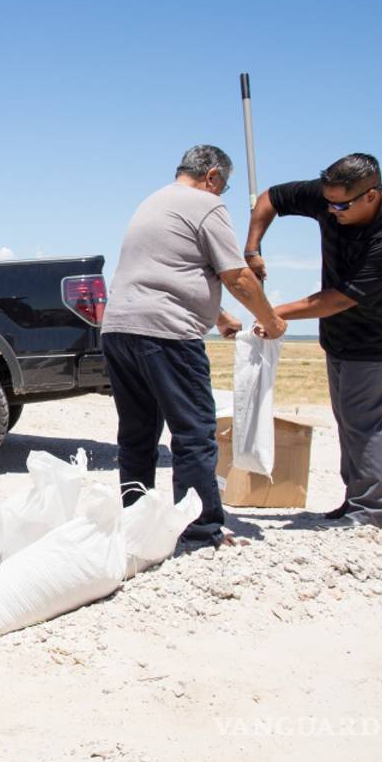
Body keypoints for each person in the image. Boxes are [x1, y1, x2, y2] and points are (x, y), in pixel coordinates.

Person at [101, 145, 287, 547]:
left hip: (119, 328)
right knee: (194, 432)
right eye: (224, 186)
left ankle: (137, 520)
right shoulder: (205, 204)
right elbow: (237, 277)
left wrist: (219, 318)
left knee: (137, 431)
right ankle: (199, 530)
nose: (222, 193)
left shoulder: (154, 202)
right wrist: (271, 321)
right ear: (213, 175)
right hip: (166, 332)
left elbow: (168, 268)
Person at [244, 153, 382, 529]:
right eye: (328, 202)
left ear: (371, 195)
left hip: (378, 338)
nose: (332, 210)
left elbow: (337, 299)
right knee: (348, 418)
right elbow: (270, 199)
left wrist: (273, 313)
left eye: (341, 205)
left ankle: (370, 511)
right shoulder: (330, 196)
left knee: (362, 420)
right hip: (338, 335)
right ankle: (355, 500)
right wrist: (253, 248)